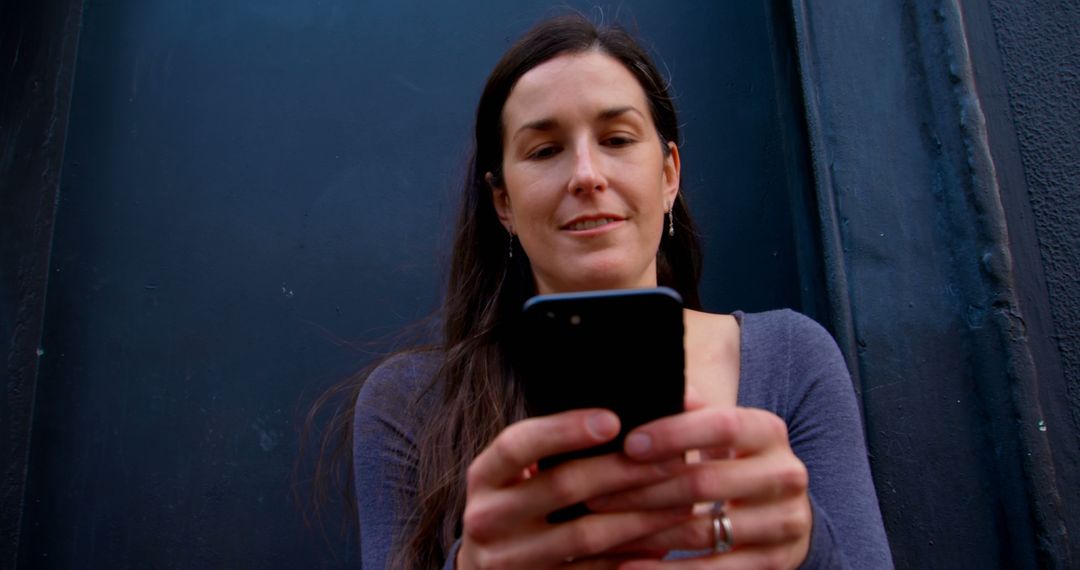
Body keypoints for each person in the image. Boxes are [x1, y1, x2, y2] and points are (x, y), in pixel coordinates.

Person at [319, 14, 893, 569]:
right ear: (503, 204)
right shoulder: (411, 402)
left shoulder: (792, 358)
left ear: (669, 175)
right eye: (545, 150)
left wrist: (806, 545)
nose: (587, 174)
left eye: (617, 138)